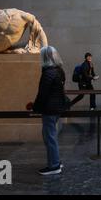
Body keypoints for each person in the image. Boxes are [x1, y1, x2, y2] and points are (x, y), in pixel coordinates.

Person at [31, 46, 67, 176]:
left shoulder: (48, 72)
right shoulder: (59, 70)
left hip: (50, 109)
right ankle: (56, 161)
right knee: (51, 136)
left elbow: (42, 94)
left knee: (49, 137)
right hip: (57, 108)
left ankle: (54, 166)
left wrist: (35, 107)